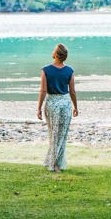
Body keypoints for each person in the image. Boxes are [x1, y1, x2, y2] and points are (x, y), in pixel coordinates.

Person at [37, 43, 78, 172]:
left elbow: (43, 90)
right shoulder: (69, 71)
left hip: (52, 103)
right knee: (62, 134)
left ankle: (54, 162)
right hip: (65, 103)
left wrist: (38, 108)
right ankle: (55, 163)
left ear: (55, 54)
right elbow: (72, 91)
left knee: (53, 133)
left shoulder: (46, 70)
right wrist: (75, 106)